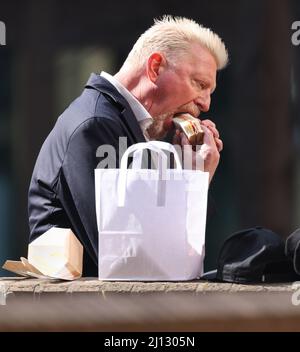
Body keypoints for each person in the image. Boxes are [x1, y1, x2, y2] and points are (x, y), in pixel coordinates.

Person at [28, 16, 228, 276]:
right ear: (155, 67)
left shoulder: (129, 126)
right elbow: (134, 257)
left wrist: (192, 177)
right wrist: (195, 181)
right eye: (199, 84)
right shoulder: (96, 124)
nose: (205, 104)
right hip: (81, 313)